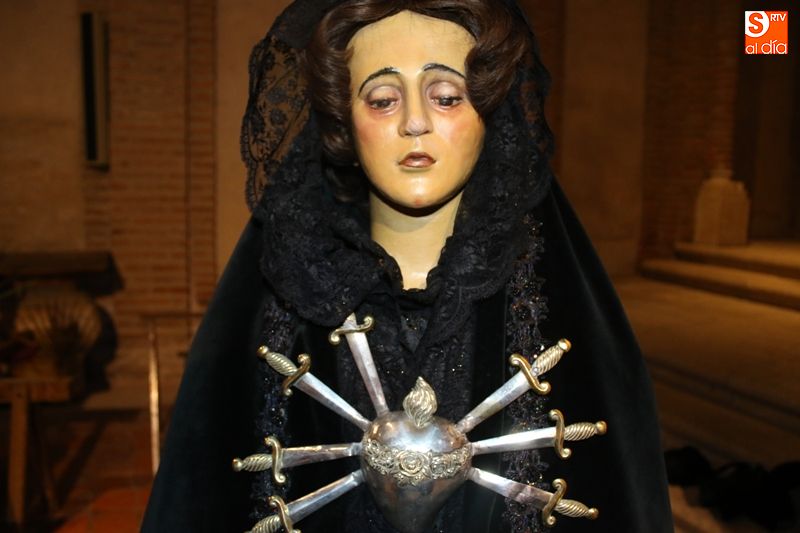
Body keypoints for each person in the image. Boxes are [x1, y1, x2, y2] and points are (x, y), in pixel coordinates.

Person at [142, 1, 673, 531]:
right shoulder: (282, 301)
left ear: (487, 113)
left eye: (446, 97)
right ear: (344, 120)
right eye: (382, 100)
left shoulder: (554, 310)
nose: (415, 122)